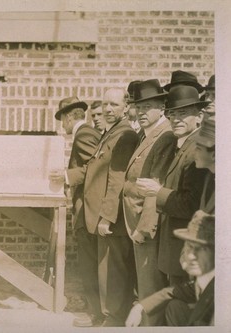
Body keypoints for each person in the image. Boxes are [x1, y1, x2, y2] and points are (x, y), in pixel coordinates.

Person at [66, 88, 139, 326]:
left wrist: (107, 216)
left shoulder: (125, 135)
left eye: (114, 105)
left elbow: (117, 178)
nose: (108, 110)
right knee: (106, 269)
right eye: (105, 104)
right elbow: (96, 169)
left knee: (114, 271)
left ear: (126, 108)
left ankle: (114, 319)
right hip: (98, 215)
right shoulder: (110, 133)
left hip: (111, 217)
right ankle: (107, 316)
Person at [136, 86, 209, 286]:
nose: (176, 119)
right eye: (172, 114)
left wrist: (158, 192)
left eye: (183, 113)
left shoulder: (197, 150)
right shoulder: (184, 144)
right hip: (176, 247)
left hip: (186, 247)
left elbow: (191, 204)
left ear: (200, 115)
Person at [122, 79, 177, 326]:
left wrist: (143, 229)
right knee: (144, 288)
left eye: (148, 107)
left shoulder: (163, 136)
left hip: (147, 228)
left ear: (162, 107)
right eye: (138, 107)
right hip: (137, 223)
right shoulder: (149, 134)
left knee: (150, 290)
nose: (141, 112)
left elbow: (155, 186)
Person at [50, 96, 101, 326]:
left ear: (71, 117)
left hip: (89, 210)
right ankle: (97, 310)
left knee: (89, 262)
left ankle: (96, 314)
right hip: (88, 209)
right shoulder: (87, 133)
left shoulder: (84, 134)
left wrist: (68, 176)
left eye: (63, 119)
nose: (62, 125)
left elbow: (97, 166)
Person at [125, 211, 214, 327]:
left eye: (201, 249)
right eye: (189, 247)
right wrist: (140, 307)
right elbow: (174, 291)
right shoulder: (203, 281)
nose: (191, 256)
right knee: (175, 306)